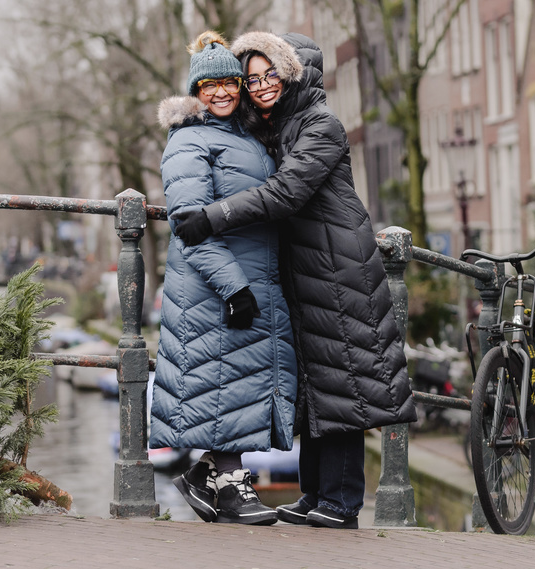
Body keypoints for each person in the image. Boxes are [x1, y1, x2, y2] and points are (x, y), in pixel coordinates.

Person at [174, 30, 416, 530]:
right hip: (300, 269)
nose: (260, 84)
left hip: (337, 268)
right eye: (252, 76)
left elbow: (286, 193)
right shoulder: (272, 126)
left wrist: (213, 216)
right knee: (313, 385)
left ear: (292, 74)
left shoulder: (321, 125)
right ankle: (313, 495)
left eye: (270, 75)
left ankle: (342, 504)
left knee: (344, 382)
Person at [150, 31, 297, 526]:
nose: (221, 93)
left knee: (235, 383)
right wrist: (233, 286)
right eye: (208, 85)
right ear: (195, 91)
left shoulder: (245, 135)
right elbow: (190, 223)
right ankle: (230, 486)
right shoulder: (188, 140)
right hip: (214, 286)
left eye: (229, 83)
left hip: (254, 278)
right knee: (222, 383)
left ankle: (208, 478)